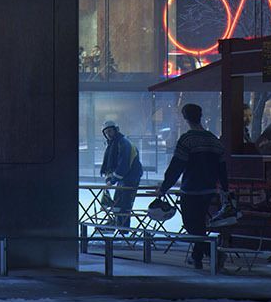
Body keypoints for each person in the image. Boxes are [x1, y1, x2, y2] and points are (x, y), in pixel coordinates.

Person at [158, 102, 229, 269]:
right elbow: (222, 168)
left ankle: (214, 253)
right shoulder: (214, 140)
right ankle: (197, 258)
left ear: (185, 118)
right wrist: (225, 188)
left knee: (191, 225)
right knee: (199, 224)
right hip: (210, 189)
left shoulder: (187, 139)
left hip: (191, 189)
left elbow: (177, 166)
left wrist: (164, 187)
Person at [98, 121, 143, 234]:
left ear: (116, 130)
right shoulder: (114, 144)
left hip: (131, 178)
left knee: (124, 205)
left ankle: (123, 231)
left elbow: (124, 165)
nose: (108, 134)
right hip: (123, 179)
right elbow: (112, 166)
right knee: (118, 204)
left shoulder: (123, 144)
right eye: (106, 132)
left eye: (110, 131)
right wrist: (109, 178)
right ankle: (118, 226)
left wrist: (112, 180)